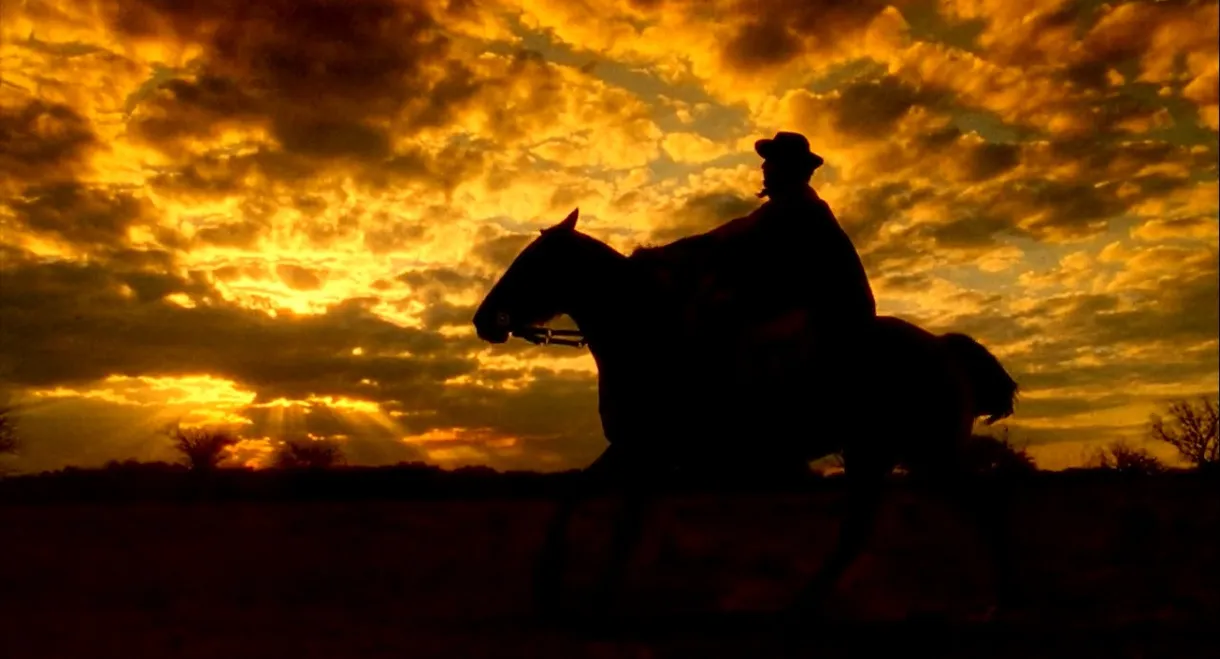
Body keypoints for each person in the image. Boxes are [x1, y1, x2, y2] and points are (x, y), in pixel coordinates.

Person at [633, 131, 877, 384]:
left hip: (828, 320)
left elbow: (725, 240)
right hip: (829, 312)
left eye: (771, 161)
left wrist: (659, 257)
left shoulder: (793, 208)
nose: (763, 167)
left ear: (785, 167)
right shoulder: (792, 207)